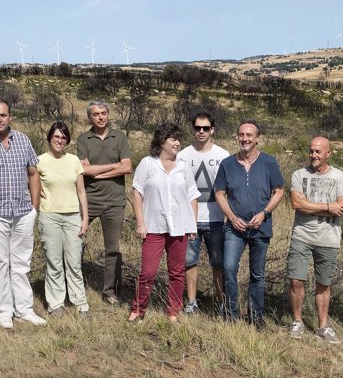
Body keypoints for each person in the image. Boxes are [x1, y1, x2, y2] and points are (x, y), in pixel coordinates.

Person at [0, 99, 45, 329]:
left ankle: (24, 309)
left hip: (23, 213)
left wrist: (34, 209)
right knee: (0, 263)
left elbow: (33, 173)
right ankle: (4, 311)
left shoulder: (22, 140)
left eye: (3, 115)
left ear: (10, 116)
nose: (0, 119)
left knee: (22, 263)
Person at [215, 121, 284, 328]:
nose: (245, 139)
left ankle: (255, 317)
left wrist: (264, 213)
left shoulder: (269, 163)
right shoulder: (227, 164)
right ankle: (231, 314)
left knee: (257, 275)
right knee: (228, 268)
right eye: (241, 135)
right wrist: (232, 217)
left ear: (257, 138)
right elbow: (219, 193)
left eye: (249, 135)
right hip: (234, 228)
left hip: (260, 227)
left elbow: (279, 190)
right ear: (237, 137)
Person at [128, 123, 199, 323]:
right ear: (162, 141)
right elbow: (137, 193)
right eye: (173, 139)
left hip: (179, 227)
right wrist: (140, 223)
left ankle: (173, 312)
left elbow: (193, 196)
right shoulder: (147, 164)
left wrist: (192, 225)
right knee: (148, 272)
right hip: (153, 226)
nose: (177, 143)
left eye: (178, 139)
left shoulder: (184, 166)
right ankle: (138, 309)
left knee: (177, 272)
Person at [287, 137, 343, 343]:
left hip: (328, 238)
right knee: (296, 279)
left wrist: (311, 205)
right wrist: (328, 207)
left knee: (323, 283)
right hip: (302, 235)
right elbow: (296, 203)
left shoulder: (339, 176)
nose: (313, 155)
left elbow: (342, 207)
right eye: (311, 151)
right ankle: (297, 321)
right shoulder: (299, 174)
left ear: (328, 154)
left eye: (318, 152)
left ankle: (323, 325)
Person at [76, 100, 132, 307]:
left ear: (108, 115)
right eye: (95, 114)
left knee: (112, 249)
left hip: (114, 203)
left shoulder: (120, 137)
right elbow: (84, 170)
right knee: (75, 242)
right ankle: (73, 284)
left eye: (103, 113)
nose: (100, 117)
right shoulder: (84, 139)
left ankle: (110, 291)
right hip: (88, 201)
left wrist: (96, 171)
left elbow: (127, 167)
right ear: (90, 117)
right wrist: (113, 165)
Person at [177, 111, 229, 316]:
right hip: (189, 220)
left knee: (218, 263)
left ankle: (221, 302)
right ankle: (191, 303)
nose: (201, 131)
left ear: (212, 130)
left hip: (216, 219)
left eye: (205, 128)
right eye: (197, 128)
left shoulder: (223, 155)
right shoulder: (182, 156)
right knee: (189, 262)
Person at [37, 121, 90, 318]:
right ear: (50, 137)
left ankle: (80, 304)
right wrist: (32, 187)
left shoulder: (74, 160)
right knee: (54, 261)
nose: (60, 140)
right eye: (56, 136)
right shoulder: (39, 160)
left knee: (74, 262)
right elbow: (29, 178)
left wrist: (85, 218)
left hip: (73, 216)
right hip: (49, 216)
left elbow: (81, 191)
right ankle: (55, 304)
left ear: (67, 140)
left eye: (63, 137)